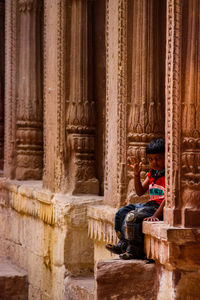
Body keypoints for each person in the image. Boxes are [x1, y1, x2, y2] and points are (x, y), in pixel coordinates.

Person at [105, 138, 165, 260]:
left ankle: (134, 250)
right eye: (151, 159)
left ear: (166, 157)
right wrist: (136, 174)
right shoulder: (152, 174)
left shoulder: (168, 174)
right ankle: (123, 243)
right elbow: (140, 192)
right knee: (121, 212)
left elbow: (168, 198)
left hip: (157, 208)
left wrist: (156, 216)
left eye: (158, 158)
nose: (154, 162)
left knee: (133, 216)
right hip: (149, 205)